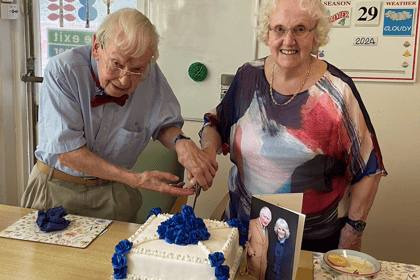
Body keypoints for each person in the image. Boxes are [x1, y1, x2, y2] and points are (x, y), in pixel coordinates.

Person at [199, 0, 387, 252]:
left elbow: (368, 168)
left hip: (311, 241)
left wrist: (353, 232)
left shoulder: (338, 92)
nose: (288, 40)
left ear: (315, 35)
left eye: (300, 29)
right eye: (279, 29)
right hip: (244, 230)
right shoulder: (247, 76)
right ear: (267, 33)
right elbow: (215, 123)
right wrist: (206, 154)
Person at [21, 8, 217, 222]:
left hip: (113, 193)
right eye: (117, 64)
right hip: (54, 188)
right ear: (97, 47)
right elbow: (68, 153)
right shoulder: (63, 71)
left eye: (137, 70)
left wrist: (181, 143)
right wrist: (136, 179)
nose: (125, 80)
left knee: (119, 255)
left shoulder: (148, 71)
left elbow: (163, 124)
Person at [247, 206, 272, 280]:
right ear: (260, 215)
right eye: (264, 217)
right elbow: (245, 240)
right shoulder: (251, 223)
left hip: (263, 265)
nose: (265, 220)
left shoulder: (266, 229)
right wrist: (251, 253)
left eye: (268, 218)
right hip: (253, 262)